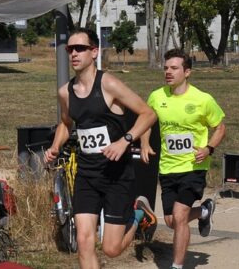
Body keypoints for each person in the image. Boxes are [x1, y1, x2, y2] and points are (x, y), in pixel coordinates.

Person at [44, 28, 158, 269]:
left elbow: (148, 114)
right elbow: (66, 123)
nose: (74, 53)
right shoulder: (65, 92)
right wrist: (55, 146)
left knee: (111, 249)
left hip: (117, 176)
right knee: (84, 243)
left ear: (94, 52)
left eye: (80, 48)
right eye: (70, 49)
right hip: (87, 175)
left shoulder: (108, 84)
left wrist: (125, 140)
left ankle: (139, 214)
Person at [146, 49, 226, 269]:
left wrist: (209, 148)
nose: (168, 72)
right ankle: (204, 211)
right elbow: (146, 121)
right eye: (166, 68)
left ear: (187, 71)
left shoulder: (203, 99)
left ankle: (177, 265)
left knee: (180, 216)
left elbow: (220, 127)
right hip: (167, 167)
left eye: (174, 68)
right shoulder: (156, 96)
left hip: (194, 167)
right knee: (172, 221)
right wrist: (144, 143)